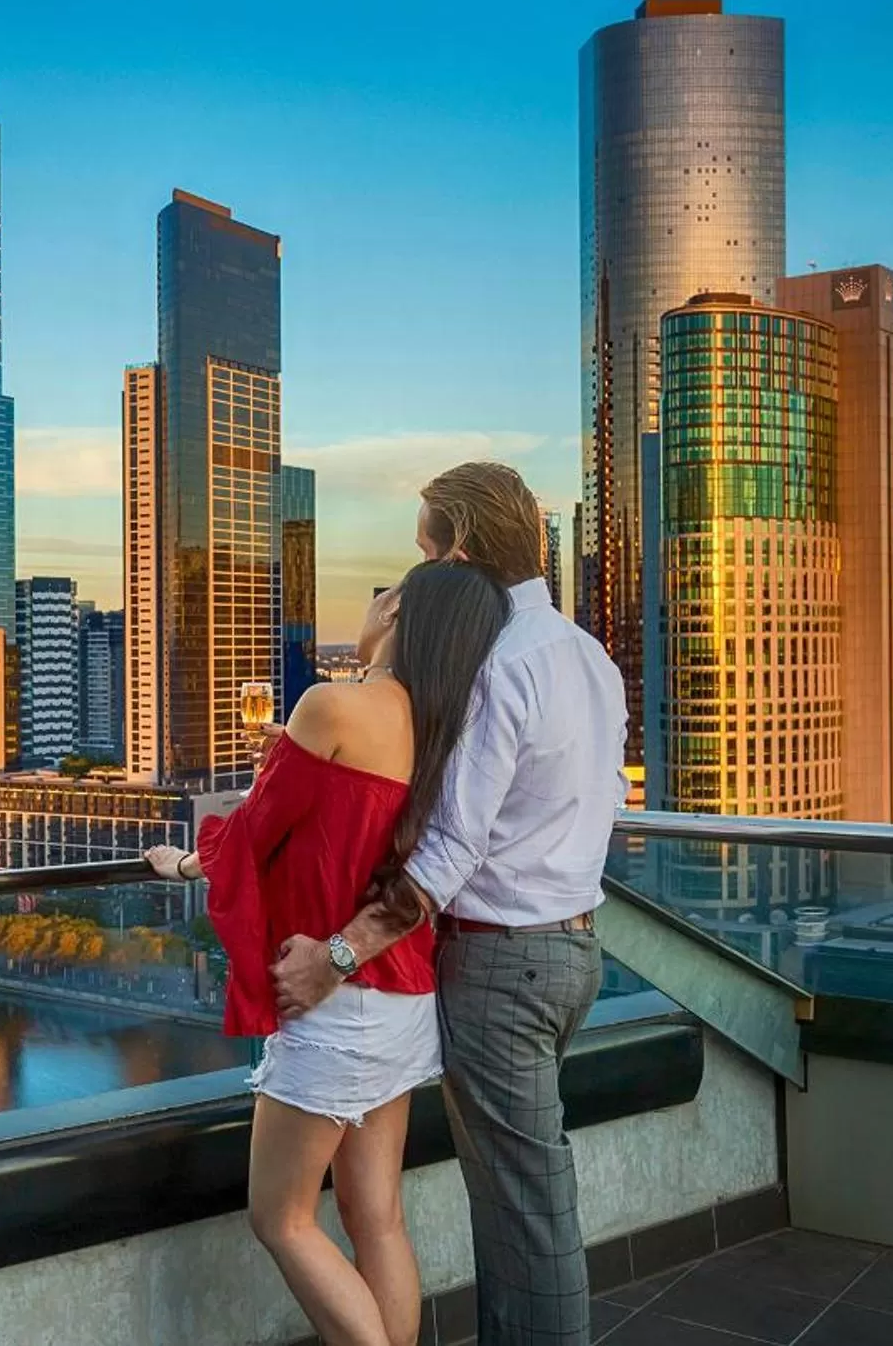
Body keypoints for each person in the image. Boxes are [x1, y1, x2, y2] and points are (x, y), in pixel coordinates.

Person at [270, 461, 627, 1346]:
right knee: (519, 1203)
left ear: (458, 550)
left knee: (525, 1215)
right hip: (575, 950)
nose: (418, 570)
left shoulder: (502, 666)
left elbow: (449, 852)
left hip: (504, 963)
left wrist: (335, 957)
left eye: (423, 549)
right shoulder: (589, 656)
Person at [147, 559, 511, 1346]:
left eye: (385, 590)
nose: (372, 600)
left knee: (279, 1215)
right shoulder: (442, 730)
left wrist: (181, 860)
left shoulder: (332, 703)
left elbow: (251, 835)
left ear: (401, 614)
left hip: (335, 998)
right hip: (404, 994)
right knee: (375, 1215)